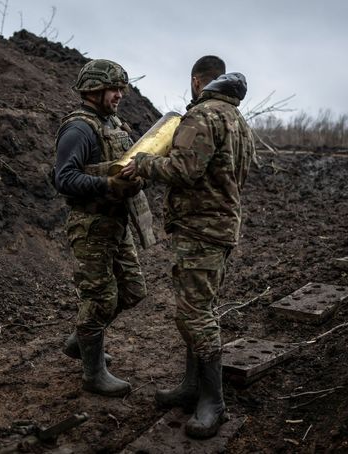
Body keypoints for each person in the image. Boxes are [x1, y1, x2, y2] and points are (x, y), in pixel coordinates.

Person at [121, 55, 255, 437]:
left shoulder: (201, 116)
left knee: (195, 314)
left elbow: (183, 170)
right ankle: (192, 386)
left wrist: (145, 162)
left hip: (200, 230)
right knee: (200, 308)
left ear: (198, 82)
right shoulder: (237, 120)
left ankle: (213, 402)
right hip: (222, 227)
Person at [54, 59, 147, 397]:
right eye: (114, 88)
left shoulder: (112, 123)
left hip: (115, 223)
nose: (120, 94)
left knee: (133, 290)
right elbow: (64, 178)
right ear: (94, 89)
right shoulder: (79, 129)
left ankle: (82, 339)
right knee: (100, 298)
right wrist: (108, 183)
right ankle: (93, 373)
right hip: (91, 226)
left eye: (121, 88)